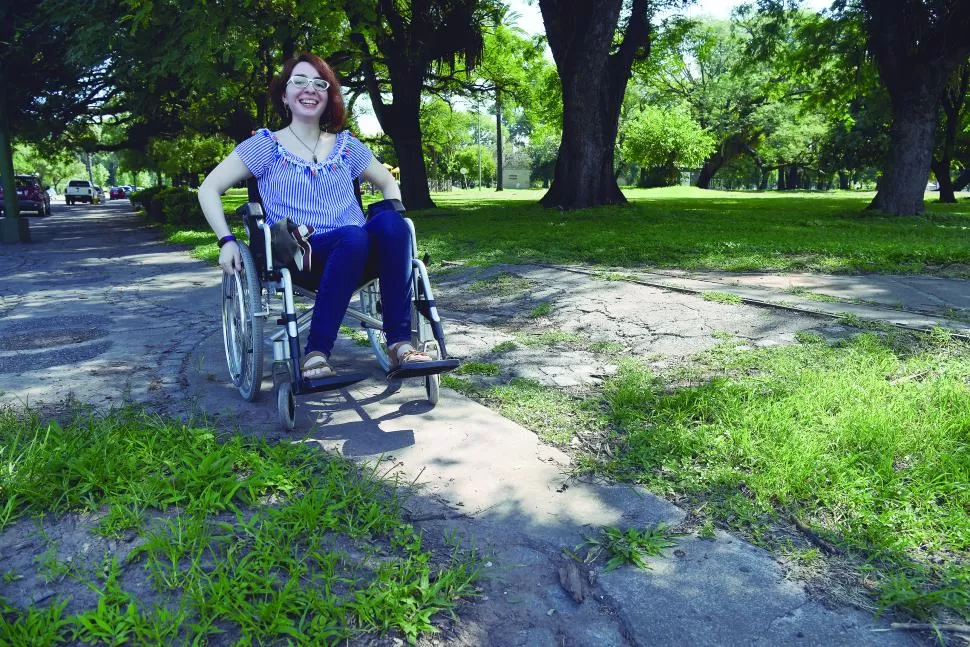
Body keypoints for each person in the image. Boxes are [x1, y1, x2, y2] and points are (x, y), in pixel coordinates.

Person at [198, 52, 431, 379]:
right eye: (299, 81)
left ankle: (400, 346)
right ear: (285, 95)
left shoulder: (347, 146)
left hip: (359, 250)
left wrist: (390, 223)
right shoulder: (265, 145)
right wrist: (226, 240)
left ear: (329, 96)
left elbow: (388, 182)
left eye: (320, 84)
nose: (310, 89)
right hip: (300, 253)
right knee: (353, 236)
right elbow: (208, 188)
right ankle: (316, 353)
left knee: (394, 223)